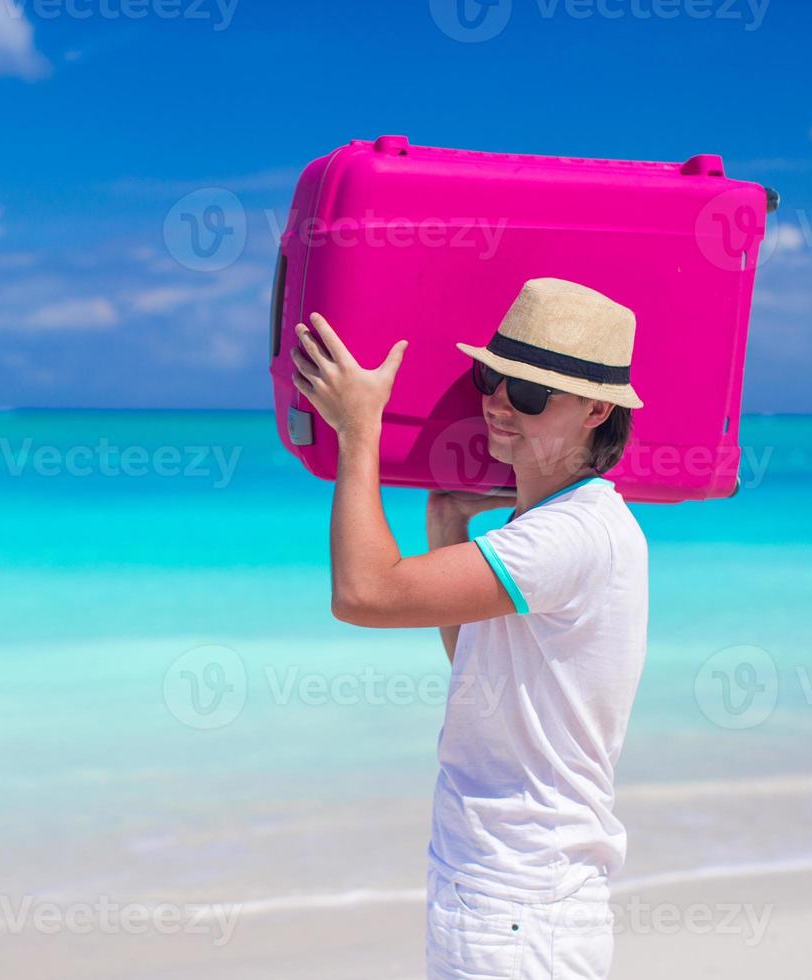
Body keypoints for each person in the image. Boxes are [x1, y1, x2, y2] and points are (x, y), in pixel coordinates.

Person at [289, 277, 649, 980]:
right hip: (509, 890)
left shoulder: (566, 537)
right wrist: (448, 524)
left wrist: (359, 431)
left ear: (596, 410)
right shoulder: (555, 525)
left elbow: (363, 594)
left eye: (532, 393)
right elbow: (482, 676)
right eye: (493, 376)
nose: (499, 403)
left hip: (521, 898)